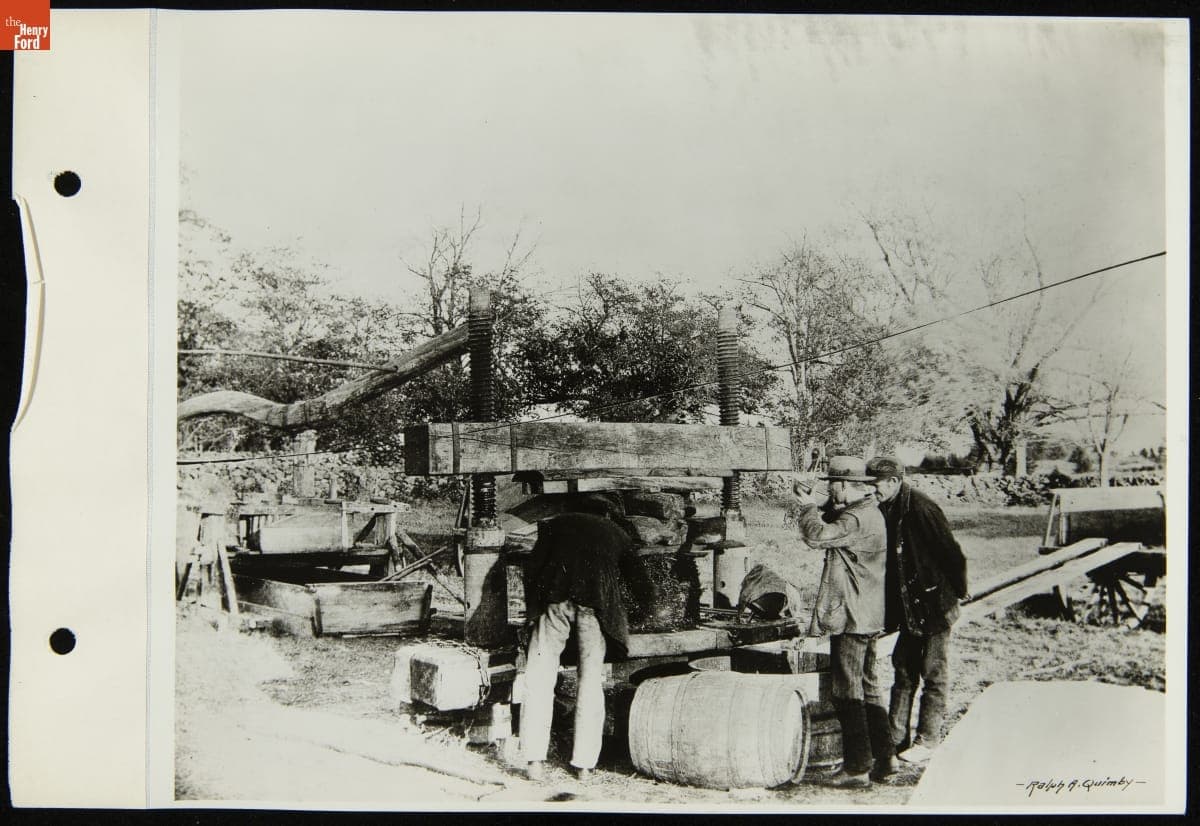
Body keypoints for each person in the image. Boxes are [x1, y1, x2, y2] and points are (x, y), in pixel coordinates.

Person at [791, 456, 894, 787]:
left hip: (852, 616)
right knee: (869, 687)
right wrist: (821, 502)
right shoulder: (868, 512)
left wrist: (807, 506)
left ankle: (857, 767)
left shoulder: (855, 520)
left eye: (832, 484)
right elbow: (835, 515)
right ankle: (886, 759)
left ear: (847, 486)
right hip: (869, 614)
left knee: (846, 691)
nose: (829, 490)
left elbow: (817, 537)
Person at [520, 494, 635, 782]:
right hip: (593, 609)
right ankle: (583, 765)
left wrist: (534, 607)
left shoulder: (556, 524)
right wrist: (640, 616)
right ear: (607, 513)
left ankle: (534, 761)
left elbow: (532, 568)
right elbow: (641, 583)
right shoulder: (618, 533)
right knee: (590, 681)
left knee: (539, 677)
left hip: (555, 604)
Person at [866, 456, 969, 766]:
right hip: (911, 607)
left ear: (894, 482)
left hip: (935, 604)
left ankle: (928, 738)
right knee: (903, 669)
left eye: (875, 485)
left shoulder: (922, 508)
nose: (872, 491)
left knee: (933, 671)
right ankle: (897, 739)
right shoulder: (884, 508)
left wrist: (958, 592)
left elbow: (952, 553)